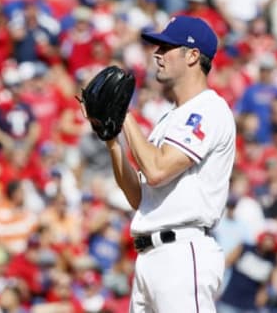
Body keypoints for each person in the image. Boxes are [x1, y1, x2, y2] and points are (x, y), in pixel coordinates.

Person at [99, 16, 236, 312]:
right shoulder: (170, 118)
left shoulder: (209, 109)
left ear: (192, 56)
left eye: (166, 47)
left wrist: (125, 114)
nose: (157, 54)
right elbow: (138, 195)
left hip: (183, 255)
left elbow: (158, 170)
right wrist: (112, 140)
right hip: (152, 257)